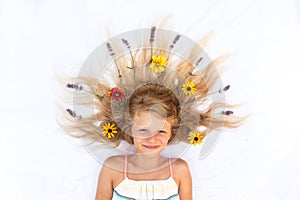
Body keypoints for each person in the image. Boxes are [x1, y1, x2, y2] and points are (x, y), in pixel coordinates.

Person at [59, 21, 243, 200]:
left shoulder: (179, 170)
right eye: (143, 130)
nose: (152, 138)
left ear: (172, 132)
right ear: (129, 129)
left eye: (161, 131)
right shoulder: (112, 168)